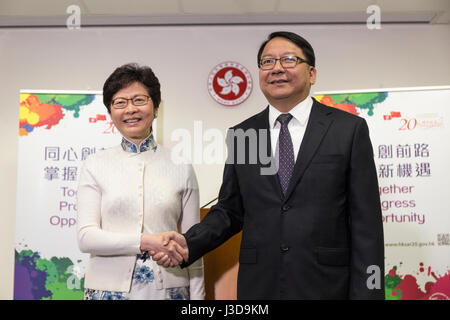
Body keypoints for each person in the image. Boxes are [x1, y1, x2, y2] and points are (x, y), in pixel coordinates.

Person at [154, 31, 385, 300]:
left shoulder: (347, 130)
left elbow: (366, 223)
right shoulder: (245, 134)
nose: (276, 68)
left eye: (288, 60)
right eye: (267, 62)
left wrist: (369, 294)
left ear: (311, 73)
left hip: (327, 284)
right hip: (260, 285)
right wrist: (187, 243)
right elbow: (230, 210)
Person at [77, 63, 204, 300]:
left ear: (155, 108)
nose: (130, 109)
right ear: (110, 112)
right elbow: (86, 238)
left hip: (169, 290)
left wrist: (198, 300)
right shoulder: (95, 164)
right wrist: (147, 241)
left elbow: (194, 245)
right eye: (120, 102)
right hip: (107, 291)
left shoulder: (180, 165)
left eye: (139, 100)